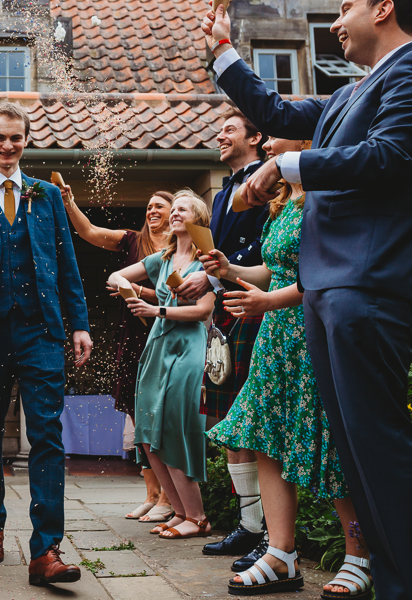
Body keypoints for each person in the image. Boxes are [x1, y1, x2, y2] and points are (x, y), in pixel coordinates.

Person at [204, 3, 412, 597]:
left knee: (378, 445)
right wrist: (224, 53)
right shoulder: (349, 94)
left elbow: (390, 156)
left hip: (365, 286)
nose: (336, 19)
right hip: (324, 294)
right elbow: (274, 111)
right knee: (355, 447)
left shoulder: (408, 74)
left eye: (346, 5)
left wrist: (286, 167)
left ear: (385, 6)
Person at [200, 136, 371, 597]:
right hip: (276, 339)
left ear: (308, 141)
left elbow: (326, 270)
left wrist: (268, 300)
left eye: (278, 131)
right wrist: (231, 271)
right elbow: (273, 269)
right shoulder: (282, 199)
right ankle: (281, 554)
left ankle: (359, 554)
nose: (269, 139)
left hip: (313, 331)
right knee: (266, 439)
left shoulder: (327, 193)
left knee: (330, 441)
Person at [0, 103, 92, 586]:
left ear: (27, 141)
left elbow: (67, 264)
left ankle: (46, 548)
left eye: (16, 139)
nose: (7, 147)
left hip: (41, 331)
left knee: (47, 433)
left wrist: (79, 324)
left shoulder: (46, 195)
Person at [175, 108, 270, 562]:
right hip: (229, 312)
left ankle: (266, 530)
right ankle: (248, 526)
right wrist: (208, 277)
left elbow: (262, 247)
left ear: (255, 138)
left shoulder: (267, 183)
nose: (220, 136)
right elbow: (219, 252)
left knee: (251, 422)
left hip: (256, 306)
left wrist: (212, 280)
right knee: (231, 423)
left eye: (230, 129)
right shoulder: (227, 187)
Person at [61, 188, 175, 523]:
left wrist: (135, 290)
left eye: (160, 206)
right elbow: (91, 233)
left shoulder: (181, 247)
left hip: (167, 334)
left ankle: (170, 496)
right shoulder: (132, 241)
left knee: (163, 415)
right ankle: (152, 494)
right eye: (150, 206)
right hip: (133, 335)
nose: (152, 210)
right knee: (136, 409)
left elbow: (177, 295)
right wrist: (70, 203)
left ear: (175, 212)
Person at [107, 190, 215, 540]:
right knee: (148, 432)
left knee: (176, 426)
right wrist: (129, 290)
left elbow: (203, 312)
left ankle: (197, 517)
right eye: (174, 210)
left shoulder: (208, 261)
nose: (174, 214)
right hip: (158, 345)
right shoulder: (162, 259)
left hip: (188, 346)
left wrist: (157, 310)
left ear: (197, 217)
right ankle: (179, 512)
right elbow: (116, 276)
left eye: (182, 209)